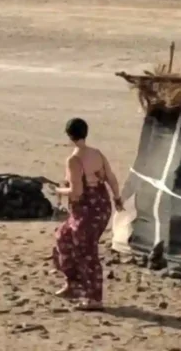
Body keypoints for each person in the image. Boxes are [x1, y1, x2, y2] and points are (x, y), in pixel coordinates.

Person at [52, 117, 124, 311]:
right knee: (63, 237)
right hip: (101, 205)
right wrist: (117, 198)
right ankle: (73, 283)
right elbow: (111, 178)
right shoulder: (96, 154)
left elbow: (77, 191)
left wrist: (58, 191)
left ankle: (94, 298)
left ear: (69, 136)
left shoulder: (74, 160)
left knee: (86, 252)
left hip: (88, 209)